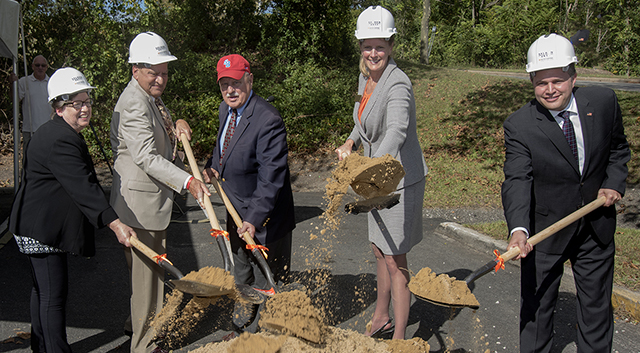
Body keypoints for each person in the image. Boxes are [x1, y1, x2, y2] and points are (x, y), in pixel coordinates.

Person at [501, 33, 630, 353]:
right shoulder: (520, 125)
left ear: (574, 76)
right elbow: (517, 178)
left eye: (557, 80)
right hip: (543, 231)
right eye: (541, 83)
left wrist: (614, 181)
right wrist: (518, 228)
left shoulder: (603, 103)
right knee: (537, 311)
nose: (549, 90)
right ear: (532, 80)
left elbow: (618, 149)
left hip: (595, 226)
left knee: (597, 311)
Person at [9, 67, 136, 353]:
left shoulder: (55, 131)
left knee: (42, 291)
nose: (84, 109)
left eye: (87, 101)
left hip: (33, 225)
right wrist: (115, 224)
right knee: (52, 295)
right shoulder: (60, 139)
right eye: (75, 103)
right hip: (41, 229)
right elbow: (84, 187)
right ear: (58, 106)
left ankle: (41, 347)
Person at [110, 32, 210, 353]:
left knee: (145, 279)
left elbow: (162, 130)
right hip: (140, 206)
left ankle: (136, 324)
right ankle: (144, 346)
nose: (161, 79)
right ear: (135, 69)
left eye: (165, 72)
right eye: (154, 72)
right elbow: (146, 157)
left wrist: (178, 120)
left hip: (148, 203)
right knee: (148, 282)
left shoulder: (149, 95)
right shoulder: (134, 103)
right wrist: (187, 181)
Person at [334, 6, 428, 340]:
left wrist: (371, 166)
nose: (373, 53)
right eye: (367, 46)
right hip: (375, 179)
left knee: (394, 259)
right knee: (378, 249)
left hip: (399, 180)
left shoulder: (398, 84)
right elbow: (362, 121)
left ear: (390, 46)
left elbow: (396, 132)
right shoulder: (364, 77)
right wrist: (349, 141)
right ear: (360, 47)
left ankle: (399, 338)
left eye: (379, 46)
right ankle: (380, 314)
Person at [202, 54, 295, 333]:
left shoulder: (268, 119)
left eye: (236, 82)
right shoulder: (225, 110)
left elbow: (271, 178)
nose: (230, 90)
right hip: (235, 210)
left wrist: (253, 219)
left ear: (250, 79)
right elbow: (223, 149)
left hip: (265, 218)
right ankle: (243, 325)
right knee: (241, 272)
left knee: (268, 280)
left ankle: (269, 332)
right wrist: (212, 168)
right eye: (224, 84)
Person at [9, 55, 51, 148]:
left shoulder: (51, 83)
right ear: (32, 66)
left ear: (46, 67)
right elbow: (15, 100)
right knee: (28, 159)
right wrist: (12, 84)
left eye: (43, 65)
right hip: (29, 130)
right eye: (37, 65)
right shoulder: (24, 81)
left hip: (48, 129)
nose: (40, 67)